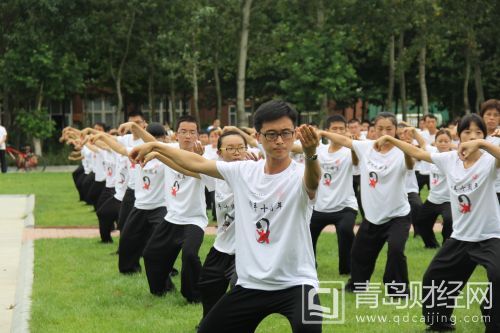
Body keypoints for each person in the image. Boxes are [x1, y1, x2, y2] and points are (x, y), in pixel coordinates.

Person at [130, 100, 323, 332]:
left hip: (298, 284)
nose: (279, 140)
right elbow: (197, 162)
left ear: (295, 135)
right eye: (271, 134)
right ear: (258, 136)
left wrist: (311, 153)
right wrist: (157, 148)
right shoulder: (243, 172)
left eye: (285, 133)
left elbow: (312, 182)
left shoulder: (299, 175)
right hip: (251, 284)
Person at [375, 114, 500, 332]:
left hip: (490, 236)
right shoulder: (449, 159)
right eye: (468, 132)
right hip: (461, 236)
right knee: (434, 277)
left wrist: (481, 143)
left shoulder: (489, 160)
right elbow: (417, 152)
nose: (472, 136)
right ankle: (439, 322)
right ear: (458, 135)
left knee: (498, 275)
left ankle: (494, 320)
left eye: (478, 132)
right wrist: (391, 139)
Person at [322, 112, 413, 296]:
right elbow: (344, 140)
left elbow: (410, 165)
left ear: (395, 130)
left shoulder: (401, 150)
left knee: (395, 250)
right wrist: (320, 133)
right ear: (373, 129)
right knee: (359, 254)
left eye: (389, 129)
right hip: (372, 216)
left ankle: (398, 290)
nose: (384, 132)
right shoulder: (366, 147)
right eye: (380, 128)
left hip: (398, 215)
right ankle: (357, 286)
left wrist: (405, 146)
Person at [312, 115, 358, 275]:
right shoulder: (319, 150)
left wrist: (353, 146)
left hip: (345, 206)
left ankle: (347, 270)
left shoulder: (349, 150)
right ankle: (309, 267)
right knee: (305, 234)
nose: (338, 132)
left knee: (346, 230)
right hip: (319, 206)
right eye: (334, 129)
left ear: (346, 130)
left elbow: (357, 160)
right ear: (327, 130)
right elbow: (297, 149)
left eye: (341, 129)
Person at [415, 129, 453, 248]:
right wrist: (412, 131)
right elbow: (422, 143)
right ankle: (431, 245)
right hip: (433, 198)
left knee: (449, 221)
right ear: (435, 142)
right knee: (421, 222)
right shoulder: (432, 153)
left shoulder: (454, 156)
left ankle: (446, 246)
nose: (443, 143)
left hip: (449, 200)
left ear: (450, 142)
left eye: (446, 141)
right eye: (440, 141)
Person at [481, 99, 500, 203]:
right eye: (488, 114)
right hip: (480, 185)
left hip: (498, 187)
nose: (492, 118)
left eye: (496, 115)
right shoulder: (476, 134)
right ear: (482, 116)